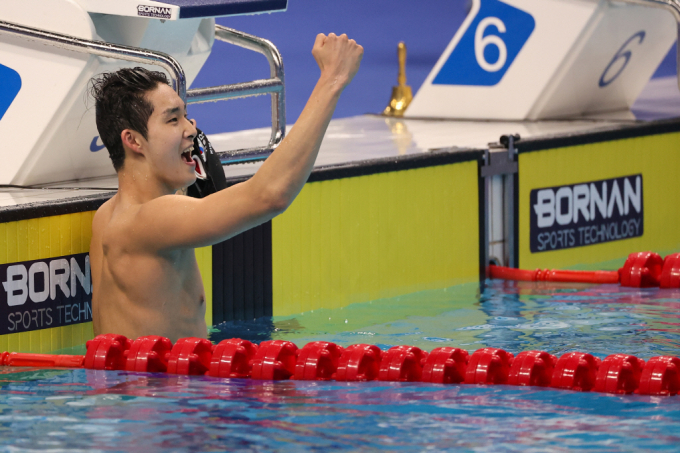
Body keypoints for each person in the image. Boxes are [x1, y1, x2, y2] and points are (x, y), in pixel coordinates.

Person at [89, 33, 363, 342]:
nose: (192, 129)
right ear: (133, 141)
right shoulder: (151, 219)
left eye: (186, 116)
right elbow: (269, 196)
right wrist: (332, 80)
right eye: (173, 120)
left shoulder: (108, 216)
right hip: (167, 390)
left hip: (143, 385)